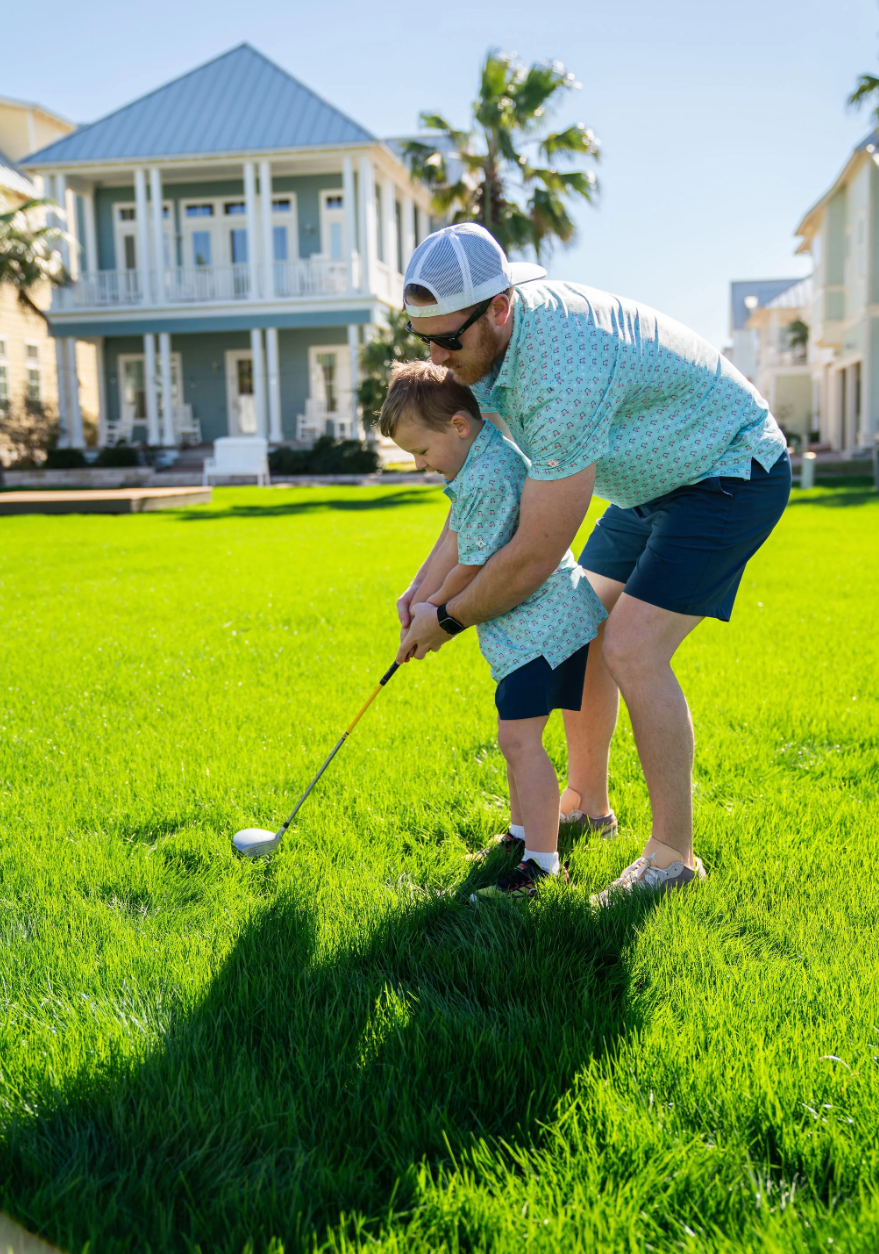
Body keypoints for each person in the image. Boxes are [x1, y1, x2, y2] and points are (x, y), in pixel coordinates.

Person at [396, 223, 791, 904]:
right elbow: (479, 498)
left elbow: (533, 553)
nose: (436, 356)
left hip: (728, 468)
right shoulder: (482, 349)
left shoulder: (562, 370)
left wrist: (449, 618)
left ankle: (672, 860)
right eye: (422, 339)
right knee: (585, 623)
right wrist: (420, 588)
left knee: (634, 649)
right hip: (647, 483)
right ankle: (585, 803)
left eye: (448, 340)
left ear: (499, 307)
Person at [382, 359, 607, 902]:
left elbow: (475, 565)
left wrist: (434, 612)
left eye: (422, 451)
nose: (419, 464)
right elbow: (454, 534)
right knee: (515, 737)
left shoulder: (486, 474)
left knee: (518, 740)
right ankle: (523, 835)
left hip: (543, 630)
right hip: (528, 628)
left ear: (459, 425)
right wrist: (417, 594)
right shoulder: (474, 464)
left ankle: (544, 867)